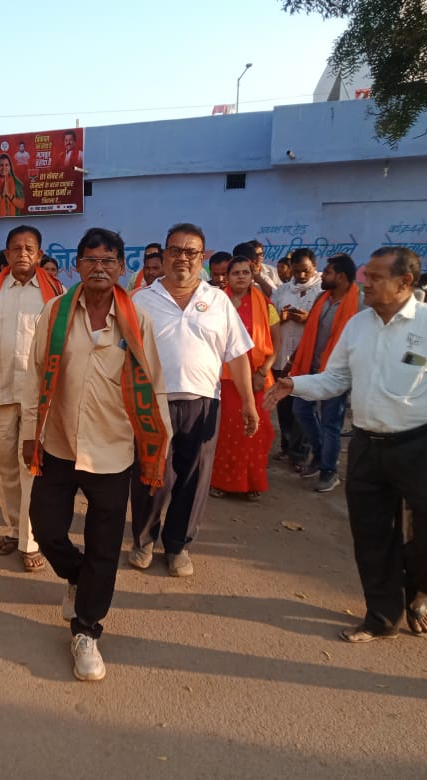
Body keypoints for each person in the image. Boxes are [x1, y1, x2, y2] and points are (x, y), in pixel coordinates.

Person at [264, 246, 427, 643]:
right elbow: (335, 379)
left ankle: (415, 596)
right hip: (367, 445)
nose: (365, 283)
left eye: (376, 277)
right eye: (367, 276)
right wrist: (295, 384)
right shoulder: (359, 325)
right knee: (371, 533)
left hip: (423, 446)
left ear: (405, 282)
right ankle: (381, 616)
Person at [22, 227, 169, 681]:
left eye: (108, 261)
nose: (99, 268)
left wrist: (156, 447)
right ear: (76, 266)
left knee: (105, 545)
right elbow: (34, 372)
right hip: (60, 442)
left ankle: (86, 629)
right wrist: (31, 432)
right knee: (46, 529)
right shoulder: (56, 311)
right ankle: (77, 578)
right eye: (90, 260)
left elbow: (154, 382)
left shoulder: (137, 320)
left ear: (121, 267)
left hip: (113, 449)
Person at [131, 224, 257, 577]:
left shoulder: (218, 301)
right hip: (152, 403)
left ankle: (177, 546)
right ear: (164, 255)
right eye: (175, 250)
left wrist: (248, 401)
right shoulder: (141, 299)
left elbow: (237, 355)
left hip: (203, 403)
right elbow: (124, 354)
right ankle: (143, 540)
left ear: (201, 257)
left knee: (193, 478)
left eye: (191, 252)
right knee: (150, 476)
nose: (182, 258)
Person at [0, 225, 63, 571]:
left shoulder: (54, 294)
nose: (23, 253)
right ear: (6, 255)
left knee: (31, 468)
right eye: (16, 248)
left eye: (29, 248)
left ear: (39, 255)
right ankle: (13, 527)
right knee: (3, 468)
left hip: (39, 398)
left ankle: (29, 539)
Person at [289, 253, 362, 492]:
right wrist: (299, 354)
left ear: (340, 277)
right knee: (300, 409)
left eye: (328, 272)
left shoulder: (359, 304)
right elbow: (313, 328)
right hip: (310, 366)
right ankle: (320, 454)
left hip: (337, 372)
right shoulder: (323, 297)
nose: (323, 275)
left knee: (331, 422)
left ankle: (329, 470)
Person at [209, 256, 277, 501]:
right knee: (226, 431)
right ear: (227, 277)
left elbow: (275, 343)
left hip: (257, 378)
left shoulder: (265, 304)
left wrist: (262, 372)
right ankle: (220, 482)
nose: (241, 277)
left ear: (252, 275)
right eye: (235, 272)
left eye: (245, 272)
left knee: (255, 431)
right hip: (224, 378)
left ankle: (252, 482)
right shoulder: (215, 303)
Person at [270, 249, 322, 468]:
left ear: (314, 267)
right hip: (283, 357)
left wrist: (308, 319)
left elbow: (327, 324)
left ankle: (300, 453)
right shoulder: (282, 291)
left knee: (303, 406)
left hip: (307, 357)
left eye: (305, 271)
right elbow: (270, 317)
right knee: (283, 406)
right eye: (297, 271)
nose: (300, 276)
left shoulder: (321, 292)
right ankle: (286, 446)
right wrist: (281, 318)